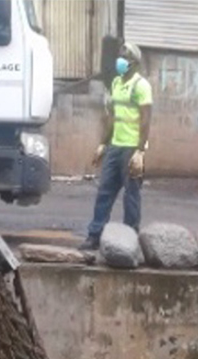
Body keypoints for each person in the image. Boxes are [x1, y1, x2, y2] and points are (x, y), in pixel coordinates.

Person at [79, 41, 153, 251]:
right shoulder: (117, 83)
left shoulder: (141, 86)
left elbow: (146, 120)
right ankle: (94, 235)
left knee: (131, 195)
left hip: (131, 149)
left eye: (125, 58)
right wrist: (103, 144)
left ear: (133, 63)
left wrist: (140, 151)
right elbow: (111, 117)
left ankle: (131, 238)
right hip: (115, 147)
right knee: (105, 192)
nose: (120, 62)